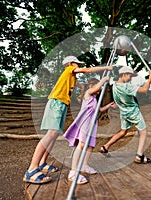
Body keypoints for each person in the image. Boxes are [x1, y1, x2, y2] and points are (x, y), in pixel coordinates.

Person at [23, 56, 113, 184]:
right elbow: (87, 70)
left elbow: (85, 87)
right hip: (57, 102)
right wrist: (106, 68)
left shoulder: (72, 79)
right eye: (77, 64)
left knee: (54, 136)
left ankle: (42, 163)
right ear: (71, 63)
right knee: (51, 134)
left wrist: (87, 87)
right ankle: (32, 169)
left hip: (62, 104)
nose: (78, 66)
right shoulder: (69, 69)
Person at [63, 77, 116, 184]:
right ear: (92, 86)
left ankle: (84, 165)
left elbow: (99, 110)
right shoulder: (88, 93)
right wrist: (104, 79)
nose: (100, 89)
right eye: (99, 87)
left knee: (90, 145)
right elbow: (95, 88)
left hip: (92, 124)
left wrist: (109, 105)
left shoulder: (95, 98)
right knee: (82, 144)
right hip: (85, 123)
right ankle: (73, 171)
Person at [99, 65, 151, 164]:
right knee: (143, 131)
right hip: (133, 112)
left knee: (123, 132)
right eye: (130, 76)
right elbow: (144, 90)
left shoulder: (114, 85)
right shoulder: (126, 86)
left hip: (124, 113)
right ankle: (139, 155)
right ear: (124, 74)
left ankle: (105, 146)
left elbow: (119, 98)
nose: (130, 79)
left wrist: (118, 103)